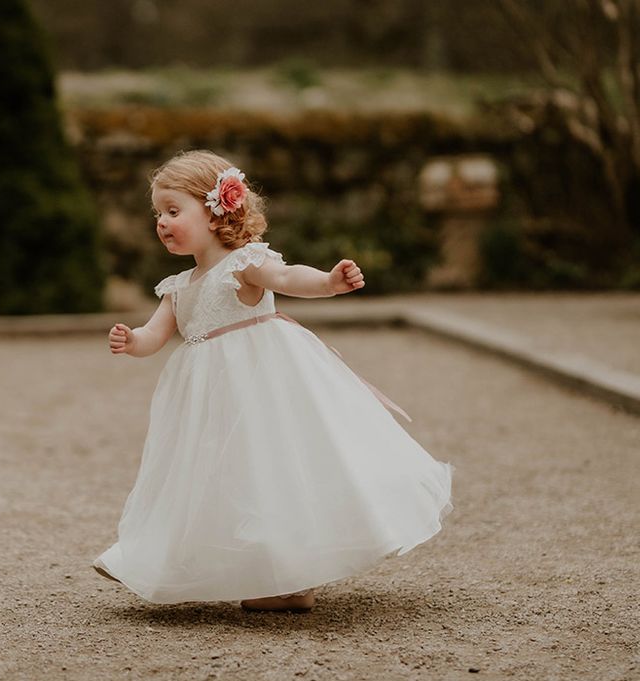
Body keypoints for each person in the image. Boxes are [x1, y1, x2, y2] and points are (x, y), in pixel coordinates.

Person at [93, 150, 454, 613]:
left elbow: (285, 276)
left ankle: (290, 576)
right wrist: (132, 340)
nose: (162, 222)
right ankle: (276, 577)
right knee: (232, 480)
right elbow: (155, 335)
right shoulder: (179, 286)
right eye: (158, 213)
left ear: (216, 209)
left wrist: (327, 282)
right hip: (210, 401)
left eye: (173, 211)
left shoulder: (243, 263)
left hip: (260, 391)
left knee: (274, 472)